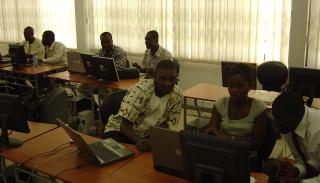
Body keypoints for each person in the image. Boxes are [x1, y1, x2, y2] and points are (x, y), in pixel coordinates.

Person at [104, 60, 183, 152]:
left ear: (177, 78)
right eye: (163, 78)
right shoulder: (141, 91)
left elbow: (168, 125)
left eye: (172, 79)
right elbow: (124, 125)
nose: (168, 83)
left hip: (147, 134)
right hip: (121, 131)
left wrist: (151, 141)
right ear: (154, 76)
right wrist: (140, 141)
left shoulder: (178, 96)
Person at [206, 63, 268, 151]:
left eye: (239, 86)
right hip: (223, 151)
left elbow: (257, 145)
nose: (234, 90)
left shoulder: (259, 108)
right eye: (231, 86)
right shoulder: (221, 103)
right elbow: (211, 130)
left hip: (246, 156)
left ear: (250, 86)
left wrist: (227, 139)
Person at [272, 91, 320, 183]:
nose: (276, 123)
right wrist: (296, 171)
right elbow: (302, 161)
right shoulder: (288, 126)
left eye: (280, 118)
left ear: (297, 115)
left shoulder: (317, 131)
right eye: (275, 117)